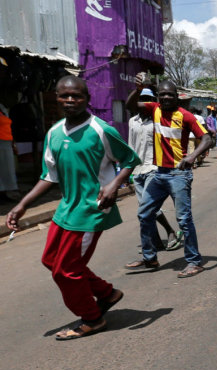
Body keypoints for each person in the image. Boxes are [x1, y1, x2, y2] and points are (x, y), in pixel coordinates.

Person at [5, 76, 138, 339]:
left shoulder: (102, 130)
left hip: (92, 211)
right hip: (66, 208)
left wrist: (114, 185)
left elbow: (131, 160)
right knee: (51, 260)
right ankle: (107, 293)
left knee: (66, 271)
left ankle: (92, 318)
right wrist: (22, 205)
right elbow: (49, 176)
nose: (70, 100)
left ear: (87, 98)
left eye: (76, 96)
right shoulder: (54, 133)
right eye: (64, 95)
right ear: (56, 97)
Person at [124, 76, 213, 278]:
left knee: (183, 219)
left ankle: (194, 261)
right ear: (158, 96)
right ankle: (150, 257)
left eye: (170, 95)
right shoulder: (153, 109)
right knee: (144, 214)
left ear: (176, 97)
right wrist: (139, 88)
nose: (165, 98)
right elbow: (130, 105)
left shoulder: (185, 116)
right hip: (158, 173)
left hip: (179, 175)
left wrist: (192, 156)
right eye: (162, 94)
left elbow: (207, 138)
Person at [128, 88, 181, 251]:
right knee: (146, 210)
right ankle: (157, 240)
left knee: (148, 207)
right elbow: (131, 144)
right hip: (137, 169)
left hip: (154, 167)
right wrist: (128, 168)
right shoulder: (132, 121)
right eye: (141, 98)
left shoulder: (158, 121)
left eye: (147, 99)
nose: (144, 102)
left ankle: (166, 234)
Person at [0, 102, 20, 203]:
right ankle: (2, 193)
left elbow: (9, 129)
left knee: (8, 169)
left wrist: (13, 144)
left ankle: (9, 191)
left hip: (6, 142)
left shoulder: (3, 108)